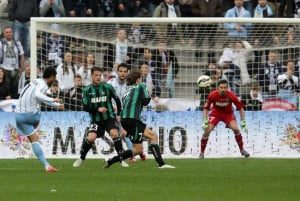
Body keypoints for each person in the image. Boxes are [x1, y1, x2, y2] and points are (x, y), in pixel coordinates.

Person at [103, 71, 175, 169]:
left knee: (138, 149)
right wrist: (148, 94)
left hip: (125, 121)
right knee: (153, 136)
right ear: (137, 80)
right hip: (133, 119)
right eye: (140, 79)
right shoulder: (141, 86)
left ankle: (111, 160)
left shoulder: (126, 92)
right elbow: (145, 101)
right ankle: (161, 164)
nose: (141, 80)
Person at [73, 67, 128, 168]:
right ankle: (81, 158)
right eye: (96, 75)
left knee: (115, 134)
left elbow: (117, 100)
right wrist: (97, 109)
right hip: (96, 120)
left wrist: (119, 114)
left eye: (100, 75)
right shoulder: (86, 90)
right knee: (90, 138)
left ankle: (121, 159)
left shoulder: (108, 87)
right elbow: (85, 107)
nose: (98, 77)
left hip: (109, 118)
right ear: (92, 76)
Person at [15, 67, 64, 172]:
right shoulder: (43, 85)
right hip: (30, 116)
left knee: (34, 140)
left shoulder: (35, 81)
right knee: (37, 114)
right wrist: (53, 99)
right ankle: (28, 129)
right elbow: (38, 95)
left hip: (18, 116)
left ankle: (46, 165)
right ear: (51, 77)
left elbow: (39, 97)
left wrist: (56, 105)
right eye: (54, 78)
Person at [199, 79, 250, 159]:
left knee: (236, 129)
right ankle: (201, 153)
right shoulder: (212, 95)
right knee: (207, 130)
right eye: (221, 87)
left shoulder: (231, 95)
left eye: (225, 87)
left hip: (228, 114)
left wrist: (243, 121)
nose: (223, 89)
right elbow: (206, 108)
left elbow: (241, 108)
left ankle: (242, 150)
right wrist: (205, 121)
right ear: (218, 88)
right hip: (216, 114)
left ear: (227, 88)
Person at [107, 63, 146, 161]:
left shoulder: (131, 85)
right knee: (123, 133)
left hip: (126, 114)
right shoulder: (110, 83)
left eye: (125, 72)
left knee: (126, 133)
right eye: (120, 71)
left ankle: (134, 153)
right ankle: (137, 152)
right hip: (112, 114)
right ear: (117, 72)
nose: (122, 74)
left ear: (128, 73)